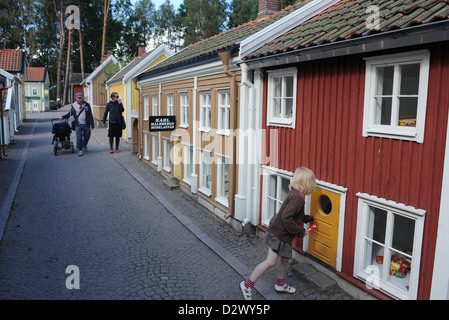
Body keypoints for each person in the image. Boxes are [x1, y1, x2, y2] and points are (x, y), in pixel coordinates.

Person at [240, 167, 316, 300]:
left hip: (283, 233)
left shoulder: (295, 194)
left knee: (285, 258)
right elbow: (286, 217)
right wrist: (300, 231)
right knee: (270, 262)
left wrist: (306, 219)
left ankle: (280, 284)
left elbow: (291, 214)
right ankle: (247, 285)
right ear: (307, 183)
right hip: (279, 233)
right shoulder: (297, 198)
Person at [60, 92, 95, 156]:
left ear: (82, 98)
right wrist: (63, 117)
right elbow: (69, 114)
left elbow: (90, 115)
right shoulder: (73, 105)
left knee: (87, 136)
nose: (80, 99)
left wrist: (92, 124)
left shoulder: (87, 105)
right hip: (78, 124)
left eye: (81, 98)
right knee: (79, 137)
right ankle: (80, 150)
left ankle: (84, 144)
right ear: (76, 98)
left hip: (86, 124)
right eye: (78, 98)